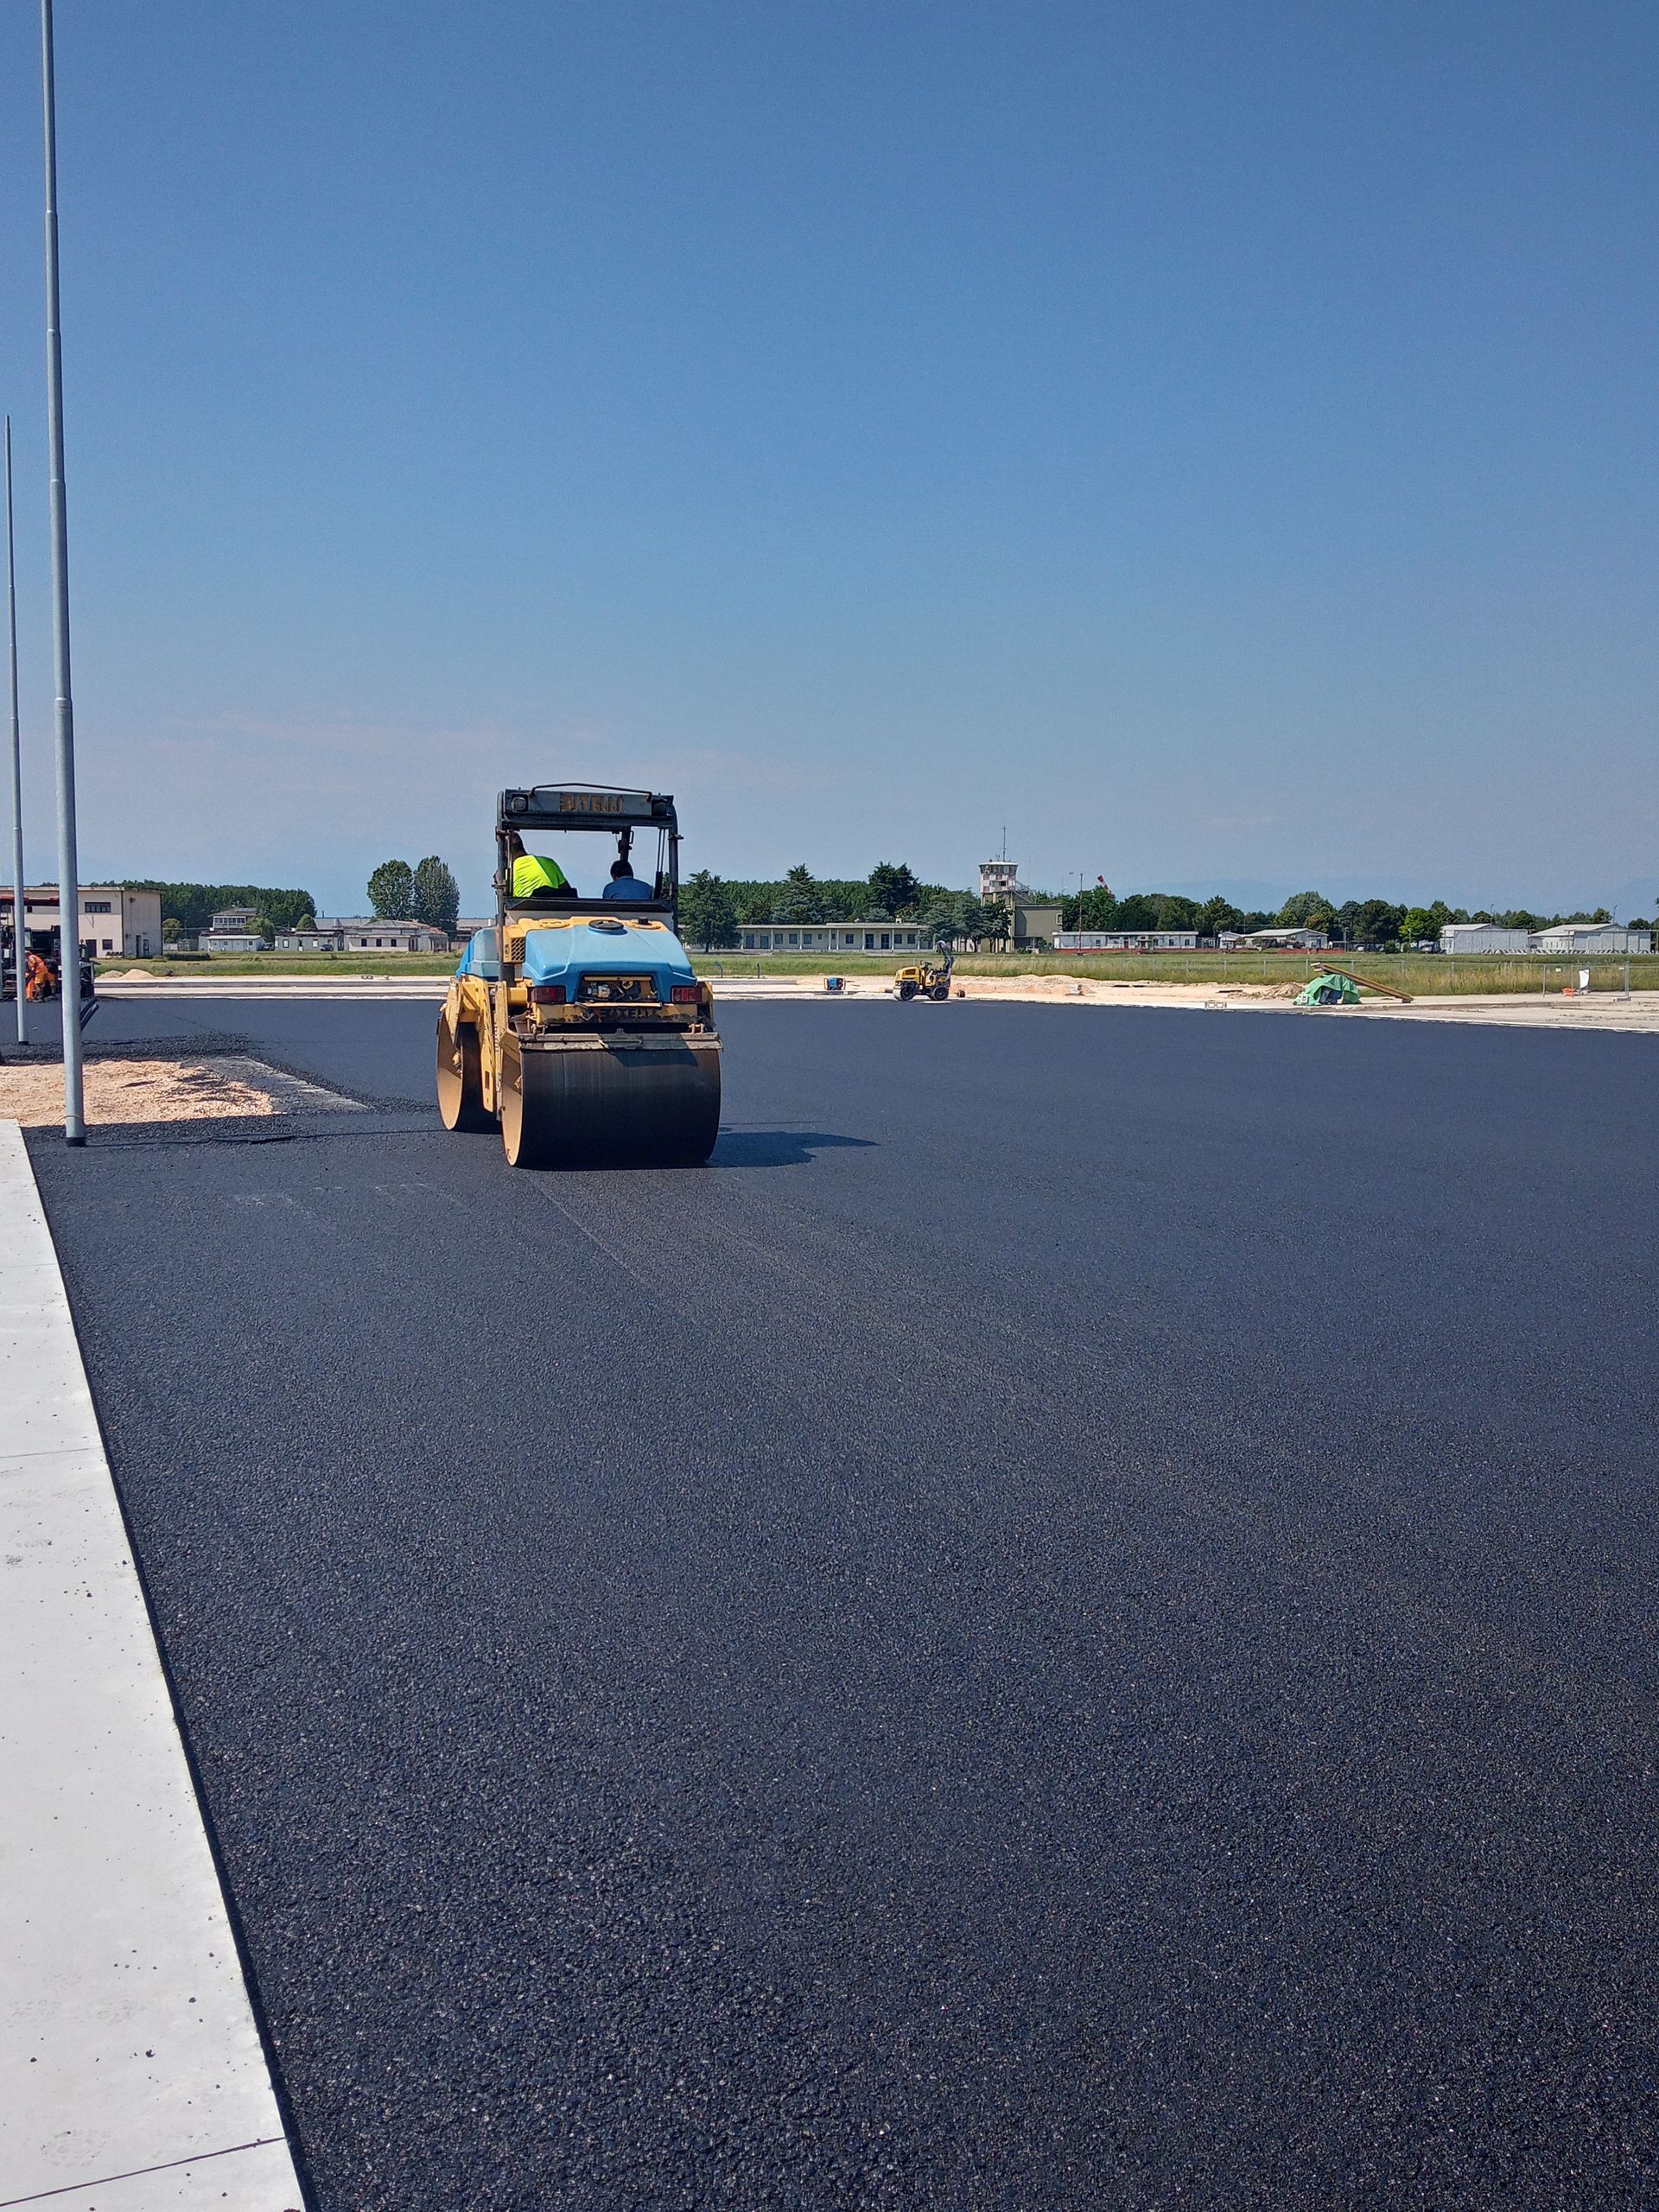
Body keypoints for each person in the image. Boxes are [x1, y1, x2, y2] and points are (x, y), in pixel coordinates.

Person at [505, 831, 575, 899]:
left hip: (529, 908)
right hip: (555, 906)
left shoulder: (509, 873)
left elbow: (508, 900)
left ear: (506, 853)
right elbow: (567, 892)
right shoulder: (549, 862)